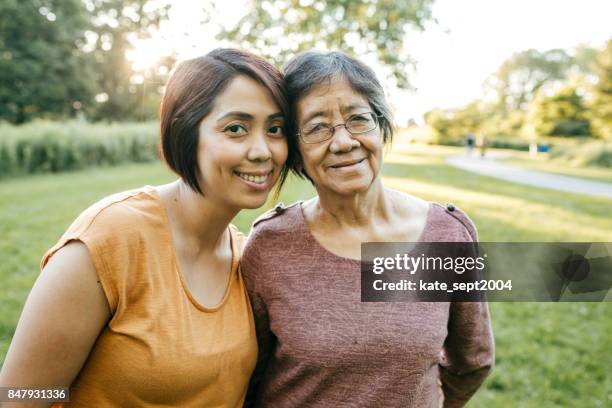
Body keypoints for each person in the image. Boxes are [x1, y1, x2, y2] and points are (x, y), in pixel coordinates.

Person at [0, 48, 289, 407]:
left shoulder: (249, 255)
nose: (263, 150)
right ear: (185, 132)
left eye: (275, 129)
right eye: (235, 129)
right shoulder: (111, 239)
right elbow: (19, 396)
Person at [241, 51, 494, 407]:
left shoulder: (446, 235)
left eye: (358, 119)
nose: (344, 142)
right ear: (295, 151)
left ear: (381, 126)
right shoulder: (270, 245)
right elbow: (245, 375)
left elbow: (473, 363)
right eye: (317, 127)